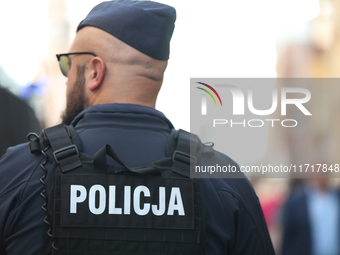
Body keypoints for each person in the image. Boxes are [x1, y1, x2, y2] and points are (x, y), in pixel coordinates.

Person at [0, 1, 275, 254]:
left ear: (95, 71)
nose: (66, 79)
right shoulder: (224, 182)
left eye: (68, 65)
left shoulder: (20, 171)